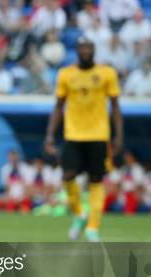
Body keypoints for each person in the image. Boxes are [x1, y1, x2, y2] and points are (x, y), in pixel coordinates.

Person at [45, 37, 123, 242]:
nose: (86, 51)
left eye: (90, 47)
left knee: (96, 179)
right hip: (74, 134)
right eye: (82, 47)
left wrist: (118, 136)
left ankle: (92, 228)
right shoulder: (66, 74)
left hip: (99, 135)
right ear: (77, 50)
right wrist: (50, 135)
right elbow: (58, 106)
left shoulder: (107, 73)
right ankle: (80, 214)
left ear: (94, 50)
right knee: (68, 175)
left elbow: (115, 106)